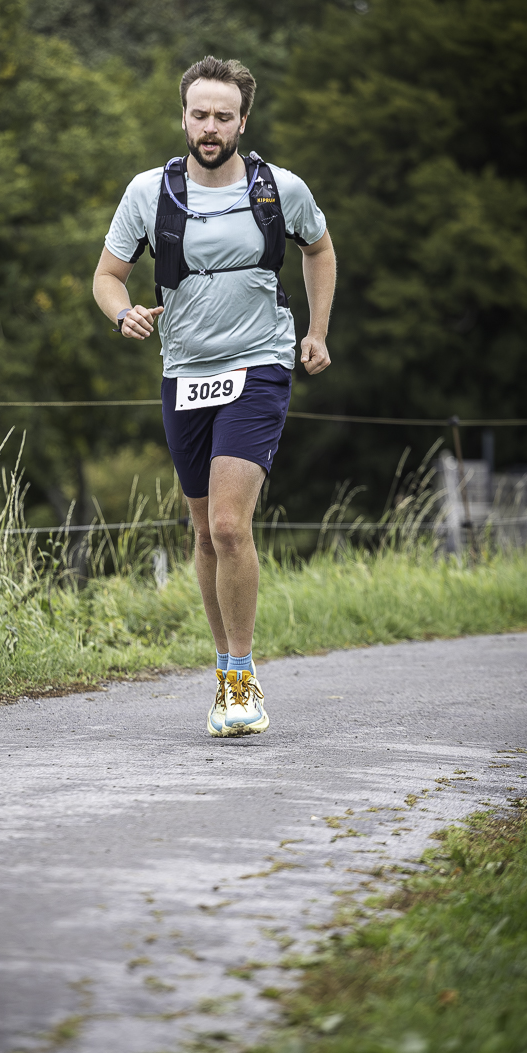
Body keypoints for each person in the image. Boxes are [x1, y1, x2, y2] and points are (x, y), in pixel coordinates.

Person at [93, 55, 336, 737]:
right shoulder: (149, 193)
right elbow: (107, 275)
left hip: (259, 365)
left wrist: (316, 332)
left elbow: (319, 249)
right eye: (199, 114)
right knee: (203, 532)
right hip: (185, 372)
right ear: (183, 117)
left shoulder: (280, 188)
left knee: (229, 525)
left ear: (242, 122)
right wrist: (123, 313)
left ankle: (240, 680)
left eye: (222, 117)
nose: (209, 127)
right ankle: (224, 668)